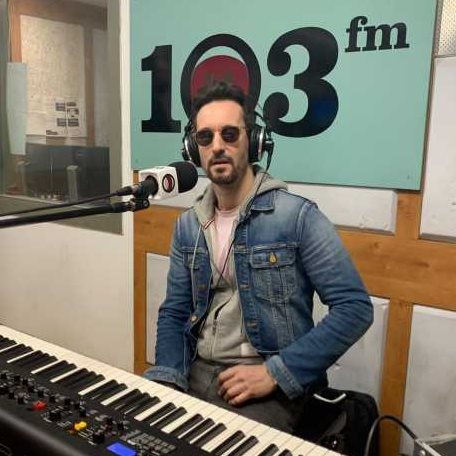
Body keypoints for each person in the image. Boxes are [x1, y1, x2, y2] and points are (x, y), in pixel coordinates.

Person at [144, 81, 373, 434]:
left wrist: (275, 373)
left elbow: (354, 308)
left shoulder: (297, 217)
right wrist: (167, 380)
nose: (217, 146)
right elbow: (175, 312)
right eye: (205, 137)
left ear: (254, 141)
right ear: (192, 149)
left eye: (230, 134)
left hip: (268, 387)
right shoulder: (188, 226)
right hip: (194, 371)